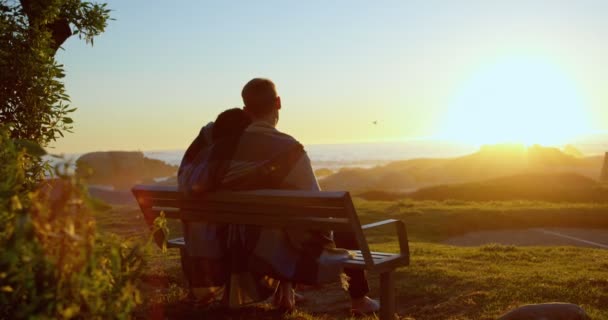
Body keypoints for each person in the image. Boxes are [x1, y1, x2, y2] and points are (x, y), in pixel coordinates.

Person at [178, 78, 379, 314]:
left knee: (280, 222)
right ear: (278, 103)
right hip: (263, 244)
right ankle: (359, 300)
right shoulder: (288, 149)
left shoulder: (222, 153)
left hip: (227, 240)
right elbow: (317, 208)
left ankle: (286, 290)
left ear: (246, 110)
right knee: (343, 225)